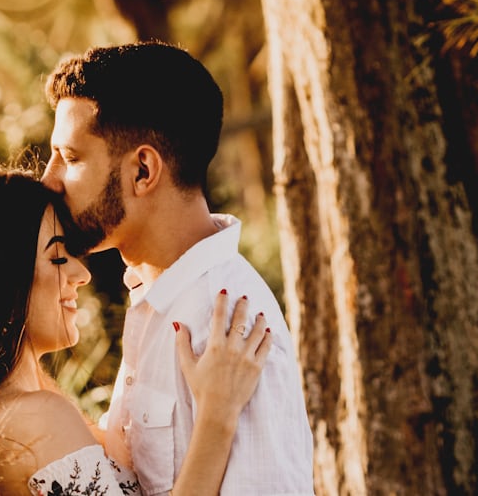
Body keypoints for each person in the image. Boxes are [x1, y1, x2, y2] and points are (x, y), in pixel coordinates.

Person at [0, 167, 272, 495]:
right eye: (59, 257)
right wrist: (217, 414)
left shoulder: (4, 410)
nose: (80, 273)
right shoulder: (33, 419)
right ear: (1, 275)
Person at [41, 41, 315, 495]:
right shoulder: (154, 296)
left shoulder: (228, 324)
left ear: (143, 171)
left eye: (70, 158)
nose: (49, 179)